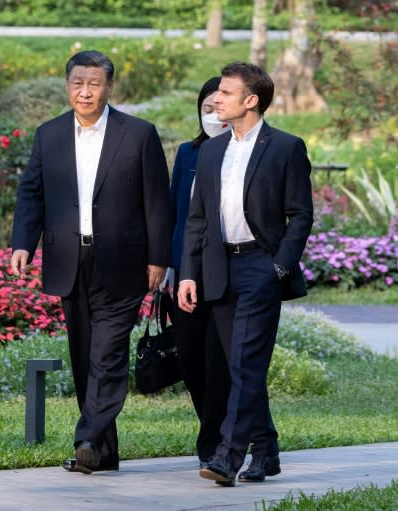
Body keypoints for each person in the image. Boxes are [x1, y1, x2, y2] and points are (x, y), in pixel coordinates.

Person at [10, 49, 171, 475]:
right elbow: (32, 192)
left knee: (107, 355)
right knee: (84, 357)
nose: (85, 91)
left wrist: (159, 257)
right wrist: (23, 243)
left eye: (94, 83)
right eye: (77, 83)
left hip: (124, 262)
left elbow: (158, 201)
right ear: (68, 86)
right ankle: (103, 452)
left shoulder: (138, 134)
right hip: (68, 259)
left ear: (109, 87)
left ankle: (86, 437)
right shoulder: (48, 135)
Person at [177, 62, 314, 487]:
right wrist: (188, 274)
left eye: (225, 93)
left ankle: (227, 457)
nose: (215, 100)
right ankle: (266, 449)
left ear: (250, 101)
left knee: (245, 364)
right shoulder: (212, 150)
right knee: (240, 368)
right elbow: (198, 219)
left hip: (260, 267)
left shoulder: (286, 147)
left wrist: (278, 266)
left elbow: (301, 215)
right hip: (217, 268)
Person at [168, 77, 233, 468]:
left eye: (218, 106)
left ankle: (215, 441)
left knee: (220, 358)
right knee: (191, 357)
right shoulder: (187, 153)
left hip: (226, 271)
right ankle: (217, 430)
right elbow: (177, 213)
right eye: (206, 108)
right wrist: (170, 268)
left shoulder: (242, 153)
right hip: (186, 272)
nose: (213, 114)